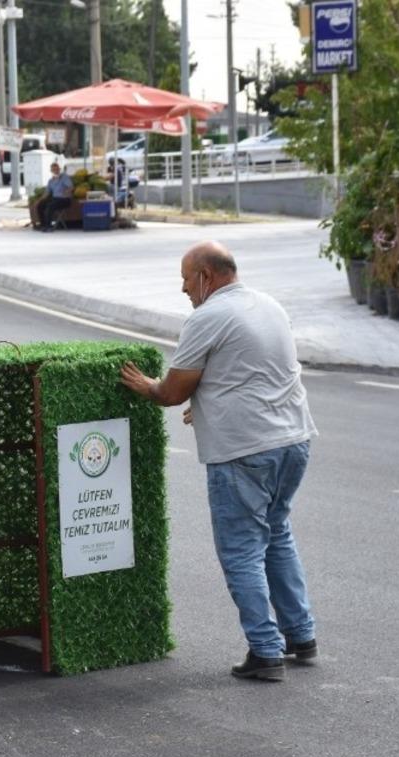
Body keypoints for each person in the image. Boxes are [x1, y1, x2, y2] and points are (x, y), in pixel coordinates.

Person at [120, 241, 318, 682]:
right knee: (277, 533)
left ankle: (266, 651)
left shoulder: (207, 318)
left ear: (207, 277)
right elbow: (248, 373)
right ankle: (300, 635)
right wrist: (207, 404)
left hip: (245, 451)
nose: (184, 290)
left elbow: (171, 392)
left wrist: (145, 385)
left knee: (242, 549)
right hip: (294, 440)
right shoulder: (267, 305)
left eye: (187, 280)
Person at [34, 162, 74, 232]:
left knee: (50, 206)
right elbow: (46, 193)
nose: (56, 171)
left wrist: (67, 191)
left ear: (59, 169)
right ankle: (43, 225)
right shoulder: (51, 181)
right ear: (51, 171)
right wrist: (39, 200)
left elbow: (71, 187)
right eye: (54, 170)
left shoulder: (64, 177)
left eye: (57, 169)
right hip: (55, 199)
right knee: (41, 205)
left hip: (64, 199)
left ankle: (49, 226)